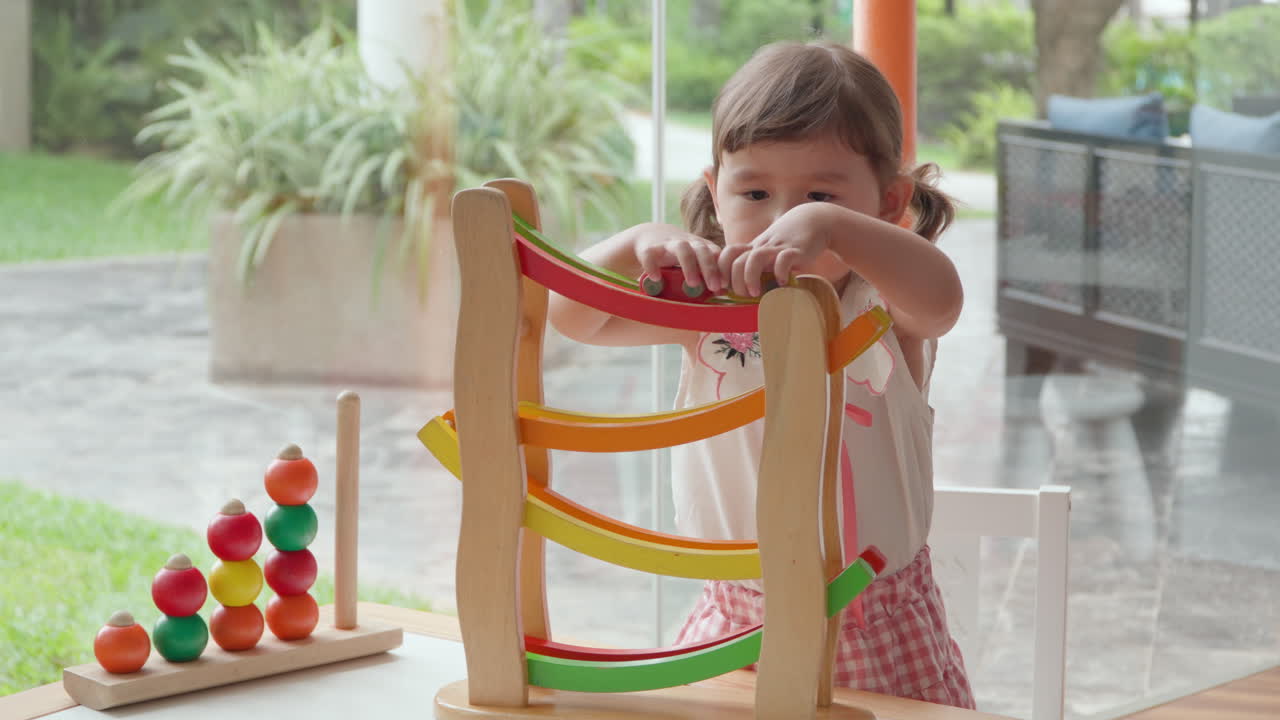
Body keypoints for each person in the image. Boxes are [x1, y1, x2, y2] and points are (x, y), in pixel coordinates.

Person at [547, 40, 974, 708]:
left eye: (819, 193)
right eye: (754, 191)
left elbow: (942, 300)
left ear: (889, 202)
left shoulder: (880, 303)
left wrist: (829, 228)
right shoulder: (711, 312)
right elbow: (569, 315)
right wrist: (634, 245)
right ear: (715, 195)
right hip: (738, 625)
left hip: (873, 631)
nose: (783, 220)